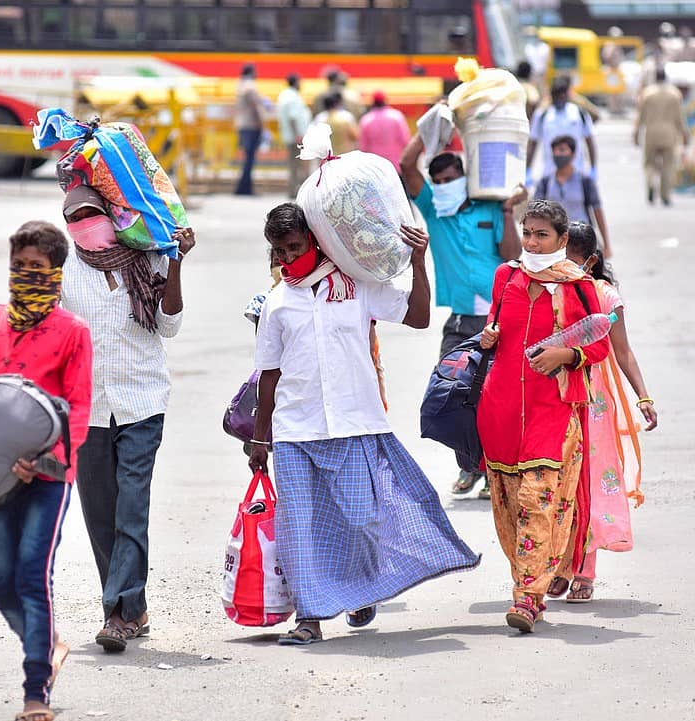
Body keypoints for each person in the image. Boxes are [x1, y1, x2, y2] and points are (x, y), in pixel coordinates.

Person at [248, 202, 480, 646]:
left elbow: (418, 316)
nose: (285, 258)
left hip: (355, 423)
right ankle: (310, 618)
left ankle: (361, 590)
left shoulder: (357, 286)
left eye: (293, 247)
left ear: (315, 240)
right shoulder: (277, 303)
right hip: (296, 430)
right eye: (278, 251)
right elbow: (269, 375)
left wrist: (417, 260)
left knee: (361, 520)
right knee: (299, 527)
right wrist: (261, 437)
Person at [60, 185, 196, 653]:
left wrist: (176, 260)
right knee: (100, 514)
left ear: (109, 214)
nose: (84, 223)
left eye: (90, 214)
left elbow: (169, 324)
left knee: (131, 507)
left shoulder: (146, 257)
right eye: (74, 217)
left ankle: (116, 612)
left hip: (141, 400)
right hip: (87, 407)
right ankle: (132, 607)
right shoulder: (65, 267)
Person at [0, 220, 93, 721]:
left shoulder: (73, 332)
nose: (25, 275)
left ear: (56, 273)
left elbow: (79, 409)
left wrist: (45, 460)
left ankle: (35, 691)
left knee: (30, 576)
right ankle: (49, 645)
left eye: (35, 268)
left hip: (47, 476)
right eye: (18, 267)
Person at [476, 200, 610, 633]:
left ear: (563, 240)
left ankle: (528, 597)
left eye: (542, 235)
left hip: (553, 411)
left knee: (539, 500)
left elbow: (600, 344)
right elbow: (495, 331)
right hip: (500, 409)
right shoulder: (506, 276)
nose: (532, 242)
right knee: (509, 505)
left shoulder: (578, 286)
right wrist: (488, 336)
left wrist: (566, 354)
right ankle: (529, 580)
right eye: (527, 233)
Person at [400, 138, 525, 498]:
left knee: (495, 398)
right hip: (459, 321)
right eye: (437, 182)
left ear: (464, 178)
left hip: (498, 318)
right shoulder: (436, 212)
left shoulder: (490, 208)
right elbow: (408, 165)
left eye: (450, 179)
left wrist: (505, 212)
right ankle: (468, 467)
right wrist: (436, 122)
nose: (443, 187)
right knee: (453, 393)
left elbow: (511, 254)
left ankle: (491, 472)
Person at [544, 222, 657, 603]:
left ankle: (584, 569)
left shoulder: (605, 297)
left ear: (590, 261)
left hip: (592, 402)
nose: (563, 266)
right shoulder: (548, 289)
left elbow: (622, 350)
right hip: (551, 395)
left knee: (587, 481)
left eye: (571, 260)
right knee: (557, 479)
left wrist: (643, 397)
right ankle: (560, 564)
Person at [534, 135, 612, 258]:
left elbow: (597, 210)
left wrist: (606, 244)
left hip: (582, 242)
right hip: (555, 244)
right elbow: (536, 213)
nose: (558, 154)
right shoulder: (545, 182)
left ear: (573, 154)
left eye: (562, 150)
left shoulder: (585, 181)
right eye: (555, 150)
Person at [634, 67, 690, 206]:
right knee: (668, 165)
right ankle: (665, 195)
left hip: (651, 133)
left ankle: (652, 183)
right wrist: (685, 134)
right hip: (669, 134)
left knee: (650, 164)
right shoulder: (674, 94)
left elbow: (640, 117)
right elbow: (680, 118)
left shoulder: (647, 93)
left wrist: (635, 132)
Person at [527, 75, 597, 183]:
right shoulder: (542, 115)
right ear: (552, 95)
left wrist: (593, 169)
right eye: (557, 95)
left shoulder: (579, 113)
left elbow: (590, 141)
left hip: (577, 174)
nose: (560, 98)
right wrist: (528, 170)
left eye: (563, 94)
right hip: (550, 175)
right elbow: (533, 143)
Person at [276, 73, 312, 199]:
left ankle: (293, 190)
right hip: (296, 137)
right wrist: (298, 134)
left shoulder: (285, 95)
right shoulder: (292, 97)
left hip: (291, 136)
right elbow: (293, 118)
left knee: (293, 165)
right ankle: (299, 191)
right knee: (299, 165)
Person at [358, 90, 411, 175]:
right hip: (395, 165)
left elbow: (363, 147)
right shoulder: (396, 117)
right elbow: (405, 140)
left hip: (375, 167)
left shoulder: (366, 120)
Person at [234, 63, 266, 196]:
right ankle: (245, 187)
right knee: (250, 159)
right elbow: (255, 107)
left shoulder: (240, 85)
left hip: (242, 124)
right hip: (252, 125)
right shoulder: (250, 86)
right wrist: (261, 123)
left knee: (247, 157)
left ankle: (243, 186)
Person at [312, 91, 359, 155]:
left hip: (326, 156)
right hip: (345, 155)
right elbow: (355, 136)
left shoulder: (319, 118)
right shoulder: (346, 117)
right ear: (337, 103)